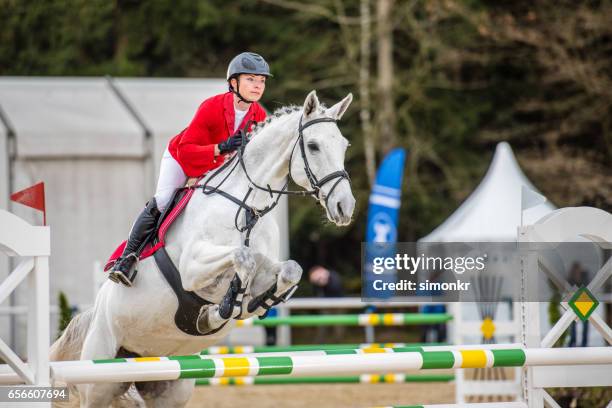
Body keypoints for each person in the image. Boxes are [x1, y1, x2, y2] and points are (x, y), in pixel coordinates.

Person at [108, 52, 271, 287]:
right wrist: (220, 147)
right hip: (182, 158)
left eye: (262, 81)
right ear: (233, 83)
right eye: (251, 79)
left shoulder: (260, 116)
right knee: (164, 200)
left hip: (216, 169)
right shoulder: (212, 107)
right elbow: (186, 149)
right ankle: (126, 259)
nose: (258, 86)